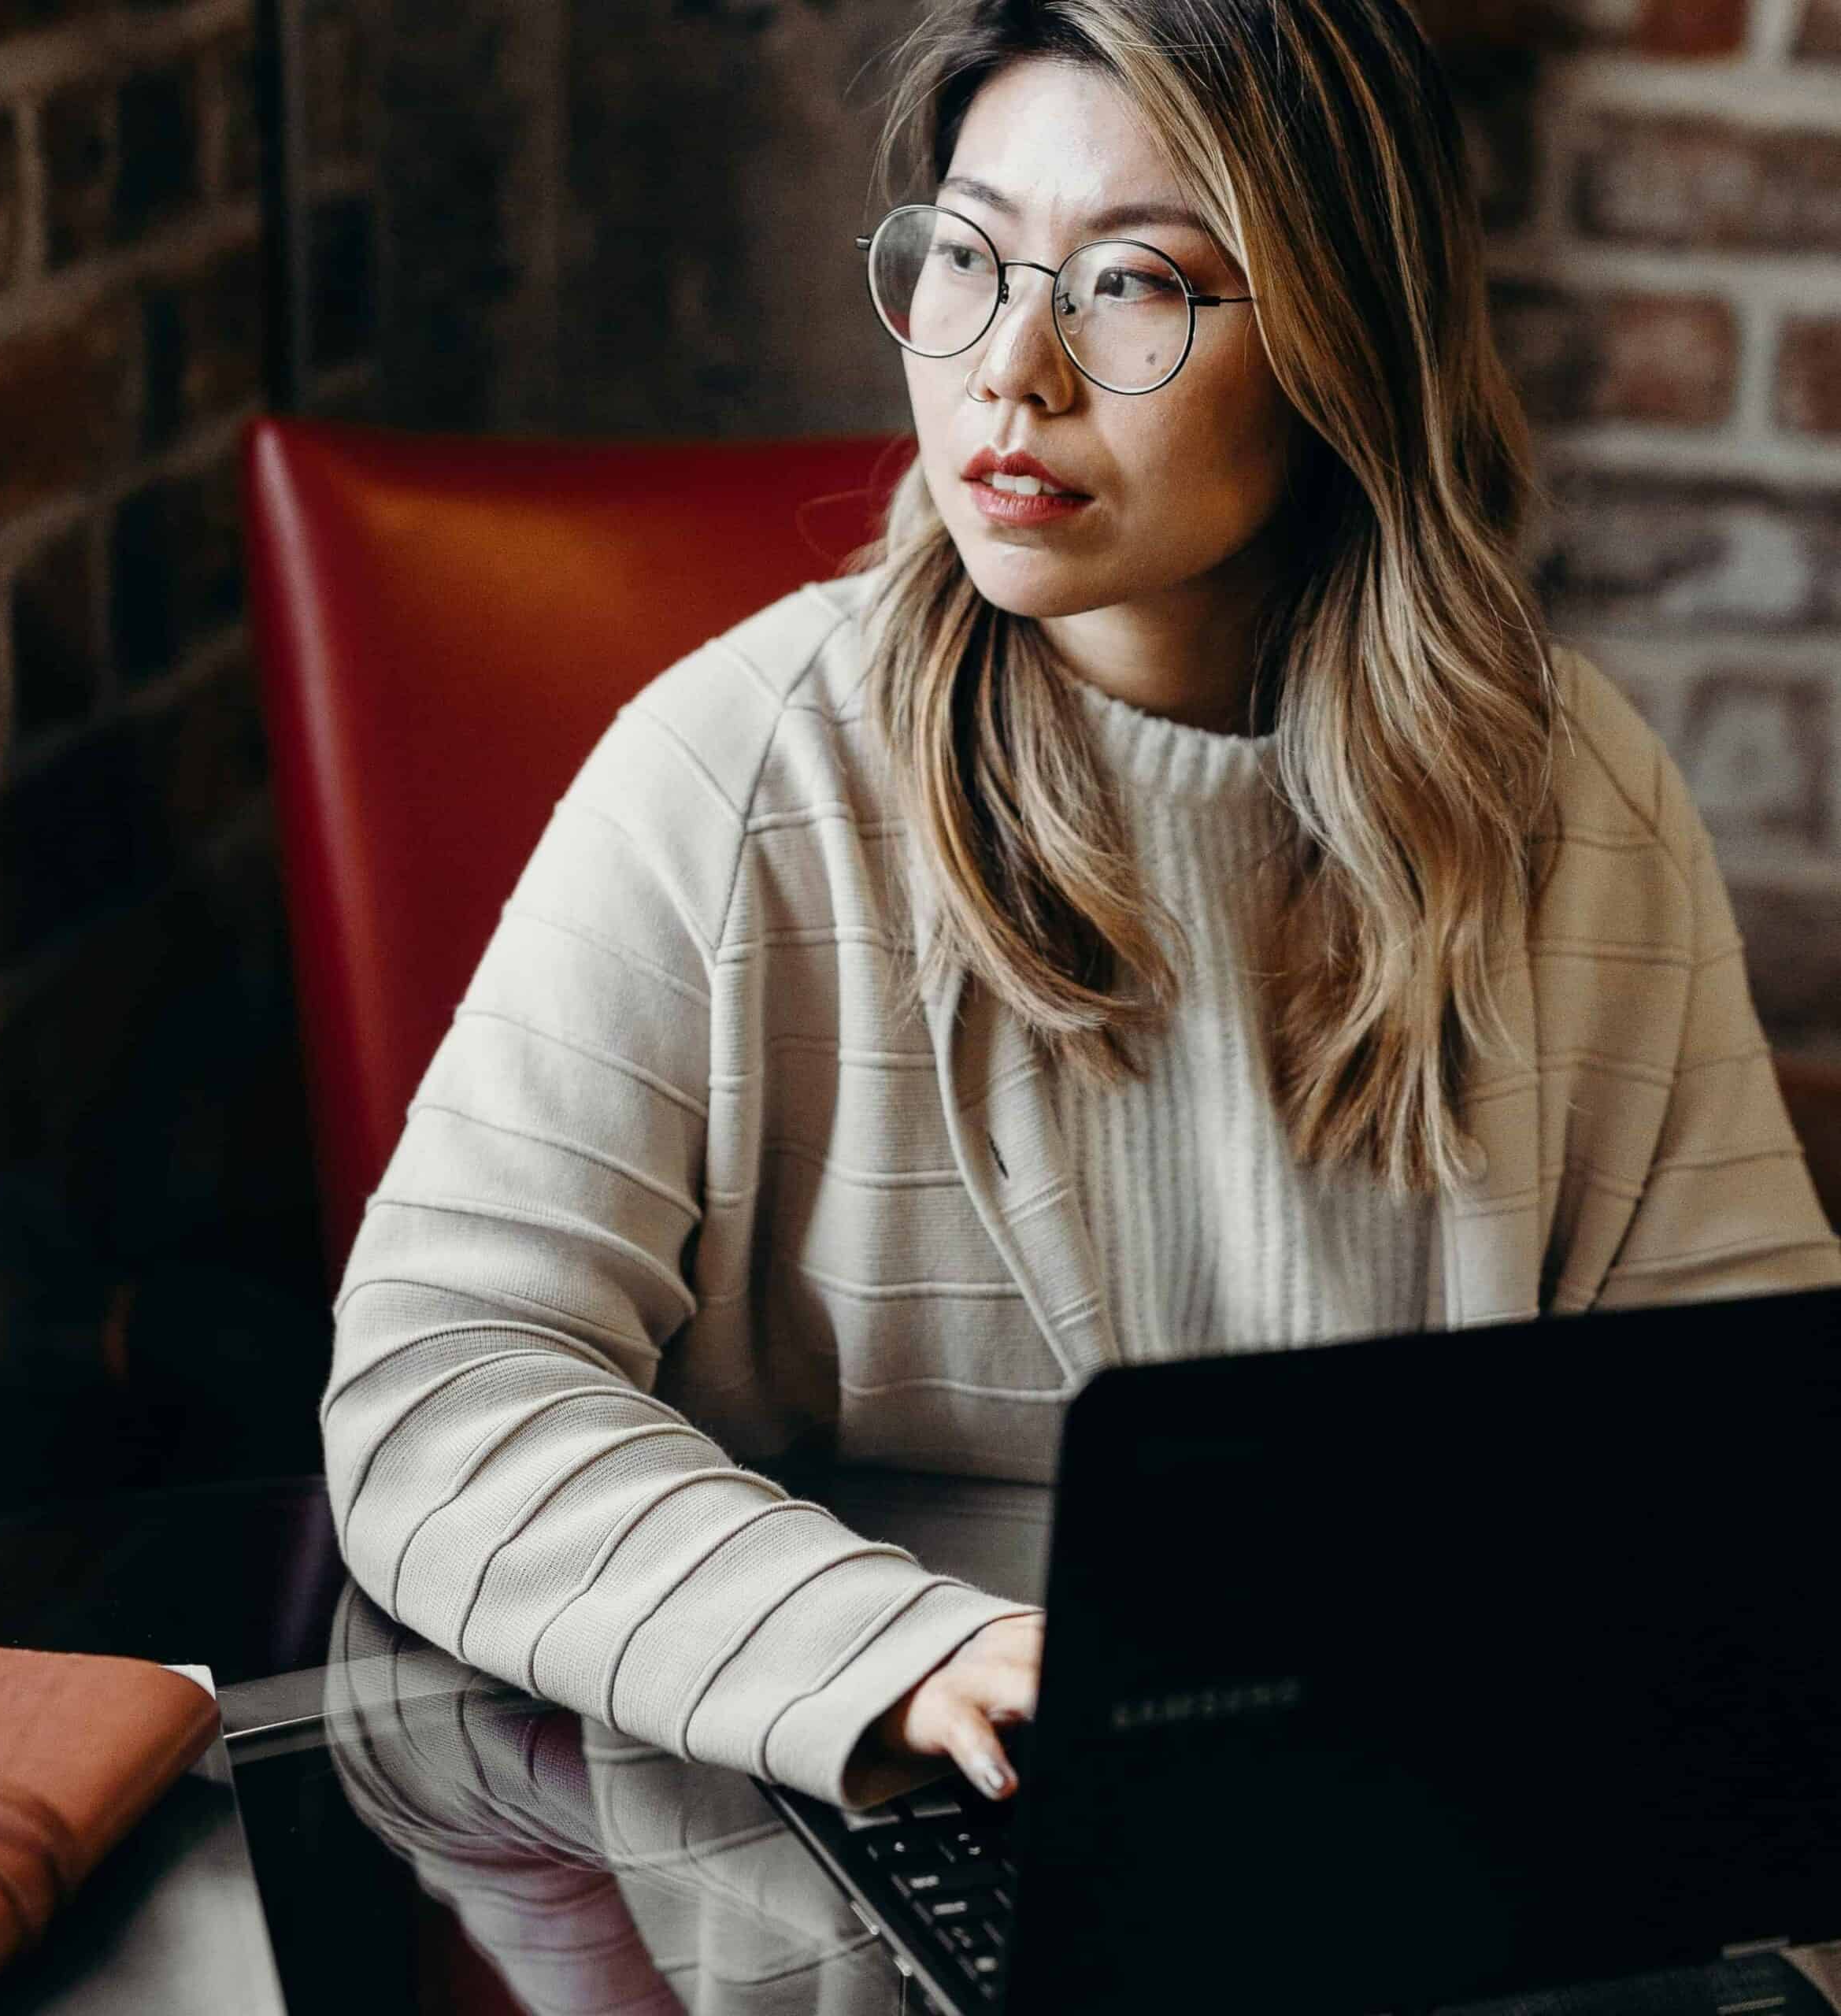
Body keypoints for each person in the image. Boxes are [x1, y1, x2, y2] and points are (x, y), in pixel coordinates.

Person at [321, 0, 1841, 1821]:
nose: (1007, 370)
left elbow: (1746, 1453)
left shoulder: (1570, 796)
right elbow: (436, 1388)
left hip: (1415, 1828)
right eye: (966, 256)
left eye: (1131, 284)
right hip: (874, 1826)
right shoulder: (741, 771)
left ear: (1344, 341)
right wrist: (892, 1647)